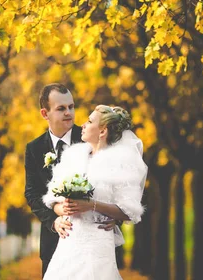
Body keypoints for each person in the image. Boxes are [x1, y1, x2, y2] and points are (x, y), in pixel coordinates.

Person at [42, 105, 148, 280]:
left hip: (97, 242)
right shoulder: (72, 157)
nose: (83, 125)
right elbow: (54, 199)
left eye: (90, 121)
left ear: (102, 131)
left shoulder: (120, 163)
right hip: (69, 241)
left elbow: (129, 211)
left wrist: (92, 205)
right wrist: (61, 213)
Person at [25, 84, 115, 277]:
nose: (69, 113)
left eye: (71, 107)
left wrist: (115, 216)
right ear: (44, 113)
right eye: (61, 108)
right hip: (53, 241)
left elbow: (111, 183)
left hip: (90, 244)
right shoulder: (33, 149)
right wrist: (53, 221)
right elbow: (32, 193)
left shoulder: (89, 139)